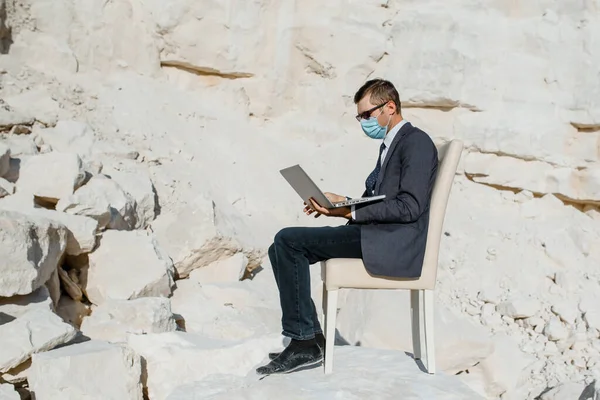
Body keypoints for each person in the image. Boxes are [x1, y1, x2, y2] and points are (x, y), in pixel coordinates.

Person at [256, 79, 439, 375]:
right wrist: (340, 204)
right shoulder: (392, 144)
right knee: (280, 246)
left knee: (288, 241)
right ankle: (309, 338)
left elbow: (410, 207)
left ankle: (305, 342)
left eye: (366, 115)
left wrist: (349, 212)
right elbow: (383, 200)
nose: (363, 122)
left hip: (390, 242)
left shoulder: (415, 142)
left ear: (389, 107)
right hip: (376, 233)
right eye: (360, 117)